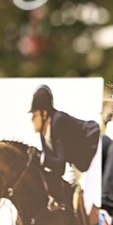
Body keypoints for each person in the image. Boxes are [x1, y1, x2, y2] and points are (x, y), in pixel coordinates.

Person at [29, 84, 101, 216]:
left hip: (94, 148)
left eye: (34, 115)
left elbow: (60, 162)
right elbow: (58, 169)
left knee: (87, 201)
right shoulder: (43, 133)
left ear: (44, 114)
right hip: (78, 162)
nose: (31, 120)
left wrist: (41, 157)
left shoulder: (58, 121)